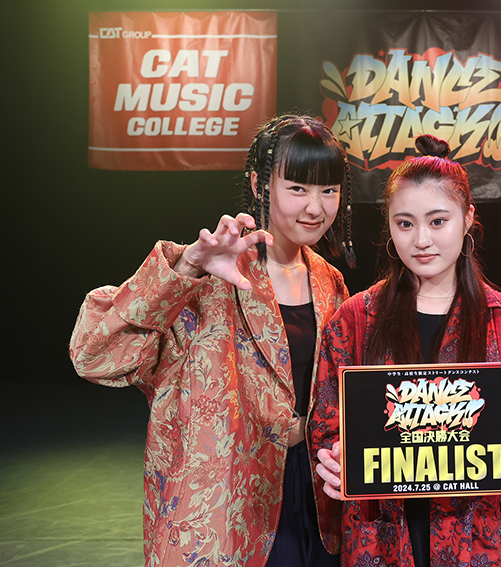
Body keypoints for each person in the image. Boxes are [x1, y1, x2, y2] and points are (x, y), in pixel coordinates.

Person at [69, 114, 356, 567]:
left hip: (317, 505)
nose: (315, 207)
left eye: (329, 190)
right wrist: (186, 267)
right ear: (260, 185)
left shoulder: (331, 283)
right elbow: (95, 355)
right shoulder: (208, 275)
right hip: (224, 505)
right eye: (298, 188)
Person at [308, 134, 501, 567]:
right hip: (379, 539)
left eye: (438, 221)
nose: (421, 239)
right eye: (405, 224)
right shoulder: (354, 319)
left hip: (478, 540)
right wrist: (332, 460)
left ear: (468, 218)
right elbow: (327, 427)